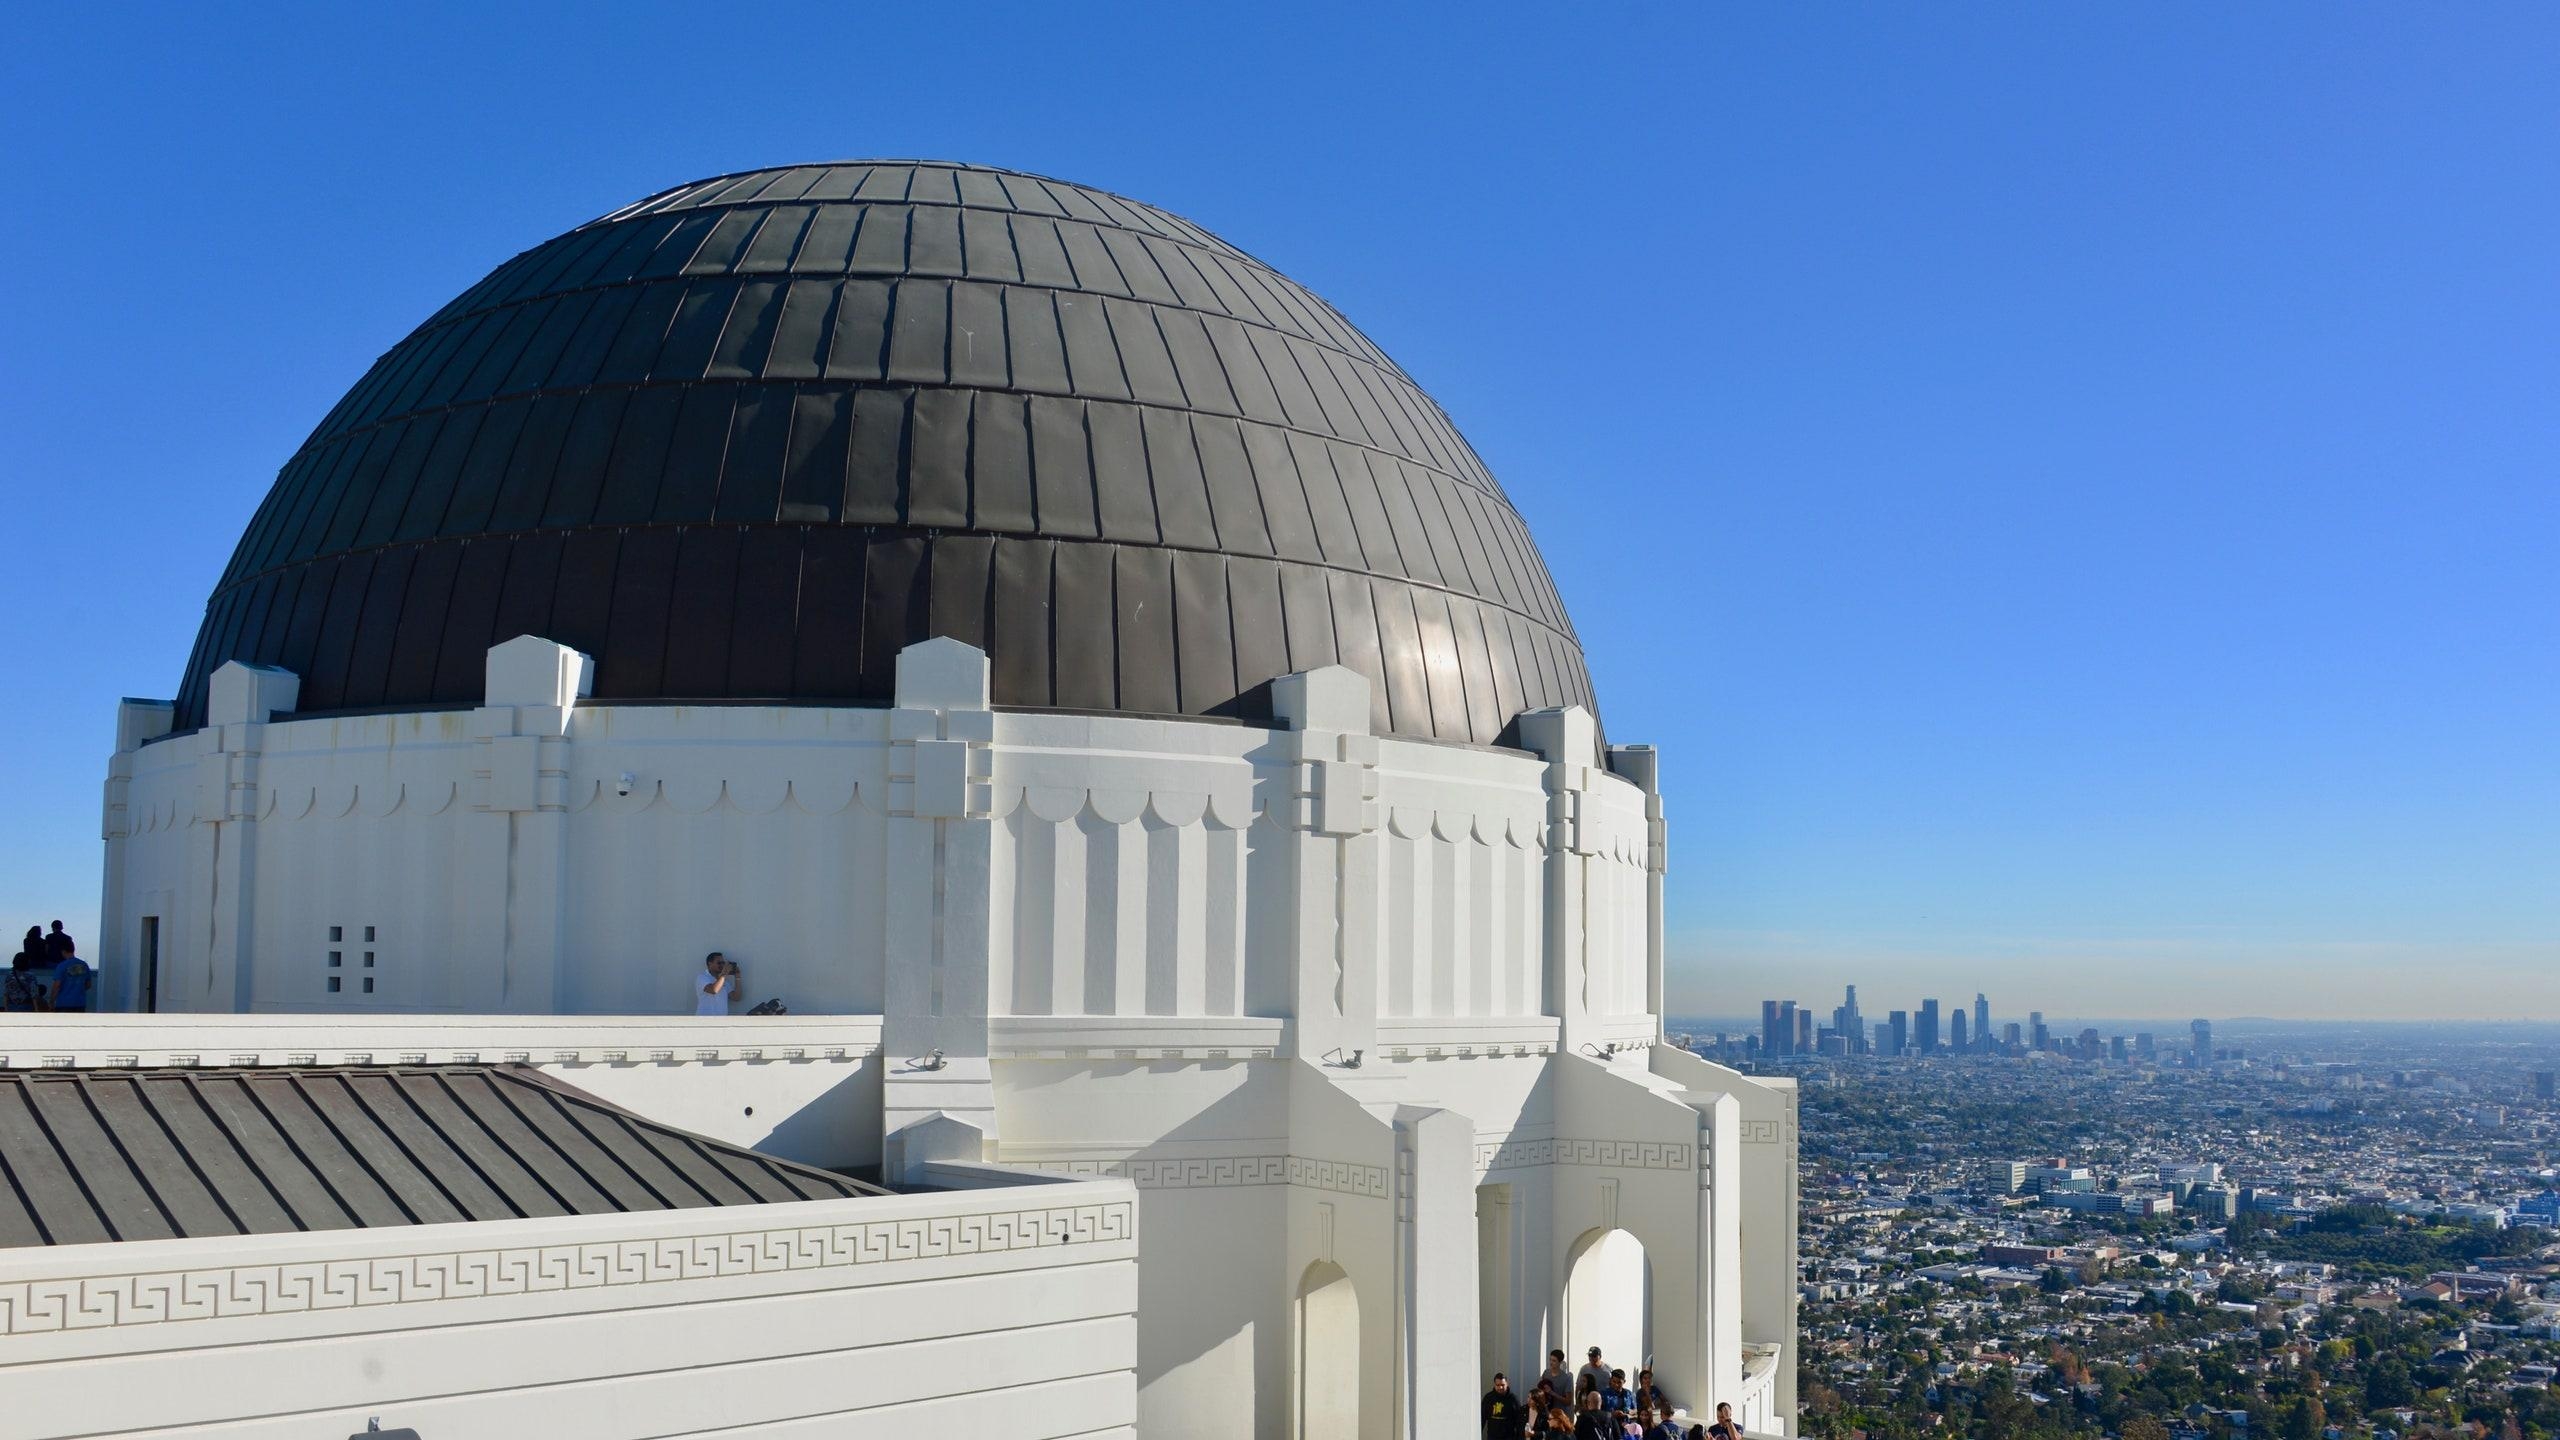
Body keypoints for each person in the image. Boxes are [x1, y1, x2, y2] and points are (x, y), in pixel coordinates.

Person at [48, 943, 94, 1013]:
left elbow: (57, 985)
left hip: (63, 1003)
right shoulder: (84, 965)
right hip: (80, 1003)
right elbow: (88, 985)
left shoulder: (62, 966)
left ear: (63, 951)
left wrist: (51, 1001)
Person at [1482, 1373, 1525, 1439]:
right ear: (1494, 1385)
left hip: (1509, 1437)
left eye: (1502, 1385)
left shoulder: (1513, 1399)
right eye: (1498, 1385)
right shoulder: (1488, 1398)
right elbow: (1482, 1418)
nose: (1500, 1387)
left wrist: (1520, 1437)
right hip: (1492, 1436)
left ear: (1507, 1384)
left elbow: (1519, 1421)